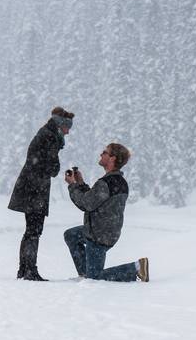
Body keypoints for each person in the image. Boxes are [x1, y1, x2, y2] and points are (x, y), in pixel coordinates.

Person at [64, 142, 149, 282]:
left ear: (112, 158)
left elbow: (86, 204)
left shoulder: (107, 183)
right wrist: (80, 183)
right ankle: (86, 274)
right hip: (104, 231)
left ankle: (136, 268)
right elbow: (93, 200)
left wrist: (72, 185)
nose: (101, 154)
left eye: (105, 152)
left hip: (98, 235)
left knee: (96, 277)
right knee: (71, 235)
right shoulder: (119, 181)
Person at [8, 106, 75, 281]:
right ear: (61, 126)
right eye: (68, 128)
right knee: (34, 231)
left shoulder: (46, 134)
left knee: (30, 230)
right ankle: (30, 270)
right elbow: (52, 168)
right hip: (35, 189)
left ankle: (24, 269)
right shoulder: (50, 137)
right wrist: (55, 166)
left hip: (30, 187)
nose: (68, 132)